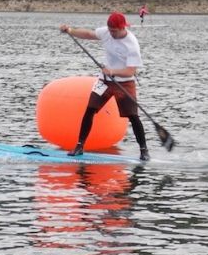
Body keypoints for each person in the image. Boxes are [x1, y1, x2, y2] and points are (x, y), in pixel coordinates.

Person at [59, 12, 149, 161]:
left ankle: (144, 150)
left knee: (133, 117)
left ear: (122, 28)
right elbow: (89, 34)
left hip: (124, 83)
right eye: (110, 30)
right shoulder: (106, 32)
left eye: (114, 31)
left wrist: (113, 71)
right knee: (90, 109)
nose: (111, 33)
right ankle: (80, 146)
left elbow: (130, 71)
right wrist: (70, 31)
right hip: (105, 81)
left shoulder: (132, 43)